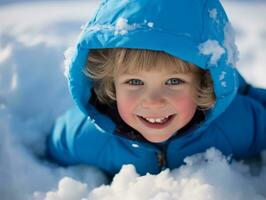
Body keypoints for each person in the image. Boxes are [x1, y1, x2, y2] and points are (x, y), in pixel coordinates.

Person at [47, 0, 266, 176]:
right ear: (110, 85)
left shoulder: (236, 124)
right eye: (134, 82)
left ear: (203, 84)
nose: (153, 101)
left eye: (173, 81)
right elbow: (57, 144)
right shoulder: (88, 137)